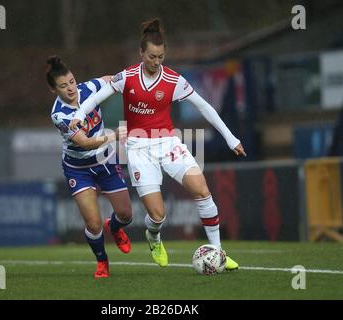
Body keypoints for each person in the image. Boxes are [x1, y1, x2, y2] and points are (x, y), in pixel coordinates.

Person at [68, 18, 246, 270]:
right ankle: (154, 237)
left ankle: (218, 252)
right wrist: (77, 116)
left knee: (202, 190)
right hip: (139, 149)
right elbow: (96, 97)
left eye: (161, 56)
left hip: (168, 143)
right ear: (142, 53)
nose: (156, 61)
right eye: (151, 56)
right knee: (157, 215)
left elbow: (204, 106)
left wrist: (231, 138)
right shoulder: (127, 77)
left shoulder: (173, 80)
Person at [47, 55, 133, 278]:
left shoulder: (88, 88)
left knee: (126, 214)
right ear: (53, 90)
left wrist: (129, 81)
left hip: (105, 161)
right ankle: (102, 261)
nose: (70, 88)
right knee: (93, 224)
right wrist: (113, 136)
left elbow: (110, 80)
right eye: (63, 86)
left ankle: (114, 227)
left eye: (72, 82)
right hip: (79, 168)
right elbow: (84, 143)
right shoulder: (60, 114)